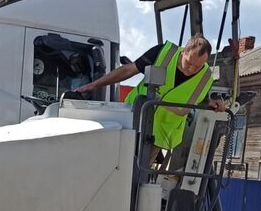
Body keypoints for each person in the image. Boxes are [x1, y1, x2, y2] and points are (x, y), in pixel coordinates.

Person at [68, 34, 228, 162]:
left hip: (160, 135)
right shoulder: (163, 52)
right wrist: (94, 85)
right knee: (112, 165)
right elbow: (128, 70)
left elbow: (198, 98)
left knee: (135, 178)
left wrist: (211, 103)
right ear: (183, 51)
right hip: (132, 120)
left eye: (198, 66)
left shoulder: (206, 76)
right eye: (189, 62)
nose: (192, 69)